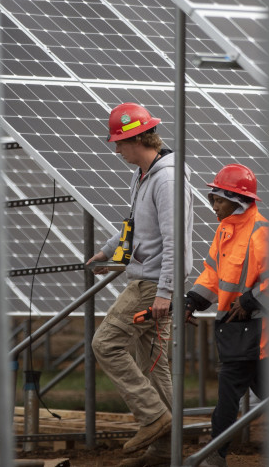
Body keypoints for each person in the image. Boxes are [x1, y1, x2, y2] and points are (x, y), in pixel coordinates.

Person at [185, 164, 269, 467]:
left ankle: (214, 455)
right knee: (268, 392)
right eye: (213, 199)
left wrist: (247, 301)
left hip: (256, 330)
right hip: (236, 329)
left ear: (238, 199)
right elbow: (212, 274)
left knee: (228, 394)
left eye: (219, 199)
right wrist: (192, 300)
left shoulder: (262, 231)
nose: (214, 205)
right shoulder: (225, 230)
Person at [85, 102, 194, 467]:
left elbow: (174, 240)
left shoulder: (166, 178)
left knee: (106, 344)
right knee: (153, 365)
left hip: (152, 284)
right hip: (150, 279)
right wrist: (107, 251)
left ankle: (153, 417)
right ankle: (166, 450)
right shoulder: (145, 174)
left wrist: (164, 292)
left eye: (119, 142)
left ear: (137, 138)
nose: (116, 150)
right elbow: (137, 226)